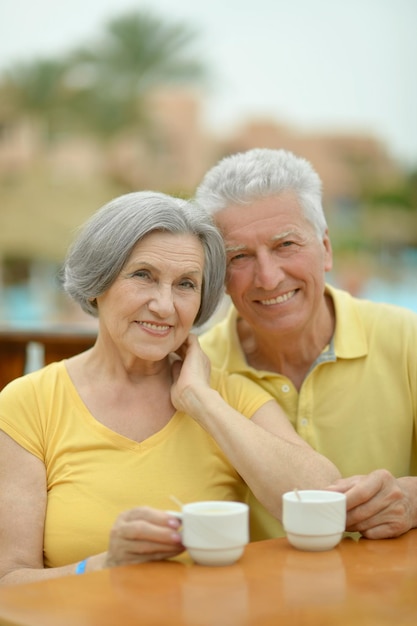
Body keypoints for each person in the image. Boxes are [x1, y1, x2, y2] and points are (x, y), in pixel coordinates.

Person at [0, 191, 340, 586]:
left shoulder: (227, 398)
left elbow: (326, 499)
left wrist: (201, 402)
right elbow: (8, 582)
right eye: (143, 275)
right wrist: (103, 566)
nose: (164, 306)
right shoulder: (29, 403)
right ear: (98, 281)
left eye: (185, 284)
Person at [195, 148, 417, 541]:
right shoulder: (198, 375)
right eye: (240, 256)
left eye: (286, 245)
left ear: (326, 249)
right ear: (219, 276)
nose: (268, 277)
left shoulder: (407, 339)